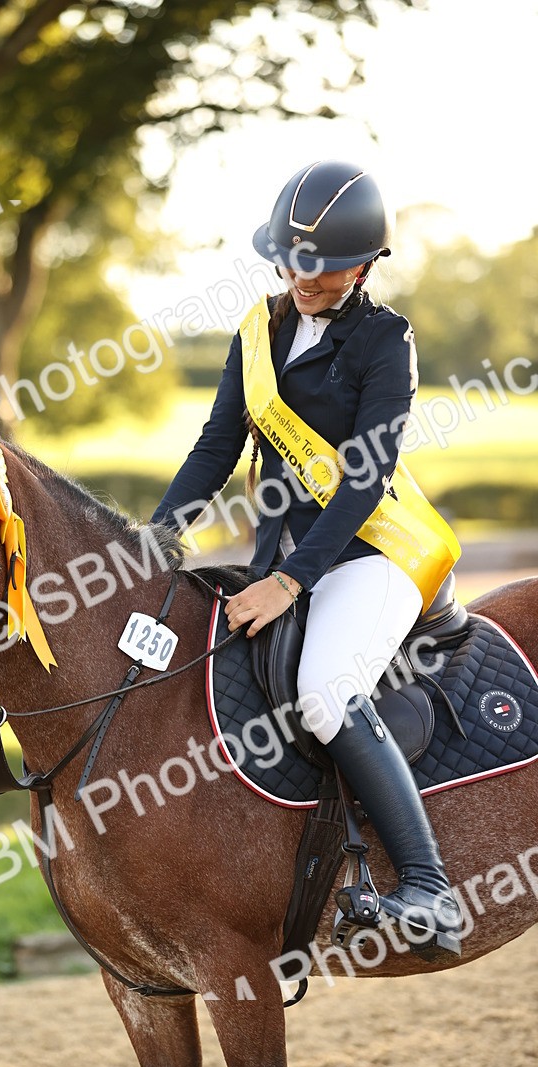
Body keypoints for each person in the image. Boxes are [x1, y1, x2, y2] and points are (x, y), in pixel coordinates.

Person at [152, 160, 463, 961]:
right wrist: (155, 538)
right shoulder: (257, 333)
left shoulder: (386, 342)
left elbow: (364, 479)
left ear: (365, 266)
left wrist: (293, 581)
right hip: (282, 558)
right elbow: (217, 446)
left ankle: (428, 888)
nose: (303, 279)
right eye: (292, 263)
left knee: (325, 691)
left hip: (375, 552)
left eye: (322, 270)